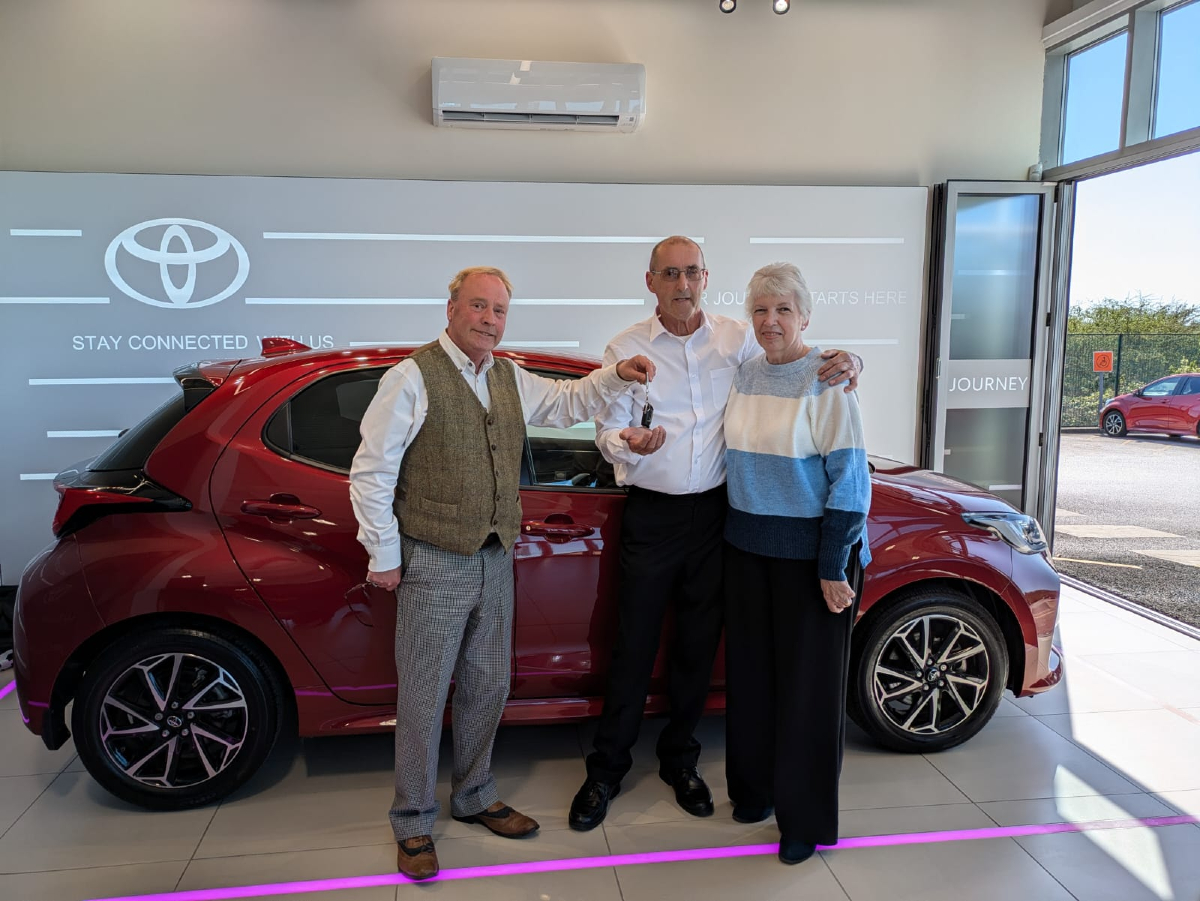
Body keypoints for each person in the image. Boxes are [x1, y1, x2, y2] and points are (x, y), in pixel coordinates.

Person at [349, 266, 655, 881]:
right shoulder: (410, 377)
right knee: (424, 695)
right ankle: (412, 819)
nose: (490, 320)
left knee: (488, 683)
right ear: (451, 309)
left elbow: (566, 404)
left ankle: (473, 794)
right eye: (479, 307)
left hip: (494, 555)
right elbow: (372, 471)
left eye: (499, 311)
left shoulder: (508, 374)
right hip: (433, 557)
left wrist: (617, 375)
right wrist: (384, 555)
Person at [568, 237, 863, 830]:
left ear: (706, 277)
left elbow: (794, 358)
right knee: (634, 645)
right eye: (670, 274)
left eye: (692, 273)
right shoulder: (626, 347)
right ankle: (606, 769)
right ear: (651, 281)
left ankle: (680, 761)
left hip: (719, 518)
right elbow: (606, 429)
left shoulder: (738, 338)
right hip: (653, 514)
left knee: (698, 649)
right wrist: (625, 441)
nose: (683, 284)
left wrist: (851, 361)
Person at [721, 262, 871, 865]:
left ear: (804, 317)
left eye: (783, 309)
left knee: (807, 696)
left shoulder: (827, 378)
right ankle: (754, 792)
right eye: (760, 310)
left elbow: (851, 479)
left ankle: (803, 821)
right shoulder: (745, 373)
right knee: (752, 683)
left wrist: (833, 563)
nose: (770, 320)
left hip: (811, 559)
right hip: (746, 549)